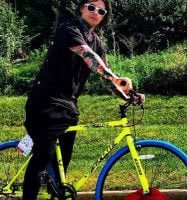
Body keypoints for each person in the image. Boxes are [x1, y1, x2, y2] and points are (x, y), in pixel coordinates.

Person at [22, 0, 144, 199]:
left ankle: (56, 194)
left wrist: (129, 95)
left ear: (104, 16)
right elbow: (87, 55)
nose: (95, 12)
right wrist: (114, 77)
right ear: (81, 8)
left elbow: (107, 78)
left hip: (68, 107)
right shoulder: (69, 29)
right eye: (91, 7)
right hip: (46, 102)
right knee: (42, 158)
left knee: (61, 167)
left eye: (101, 10)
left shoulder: (96, 41)